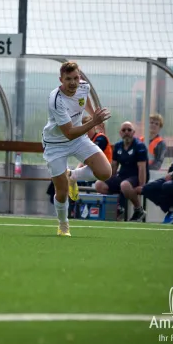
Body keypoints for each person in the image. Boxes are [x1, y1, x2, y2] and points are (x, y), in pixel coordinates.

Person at [42, 61, 112, 237]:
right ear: (61, 80)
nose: (73, 83)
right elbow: (69, 133)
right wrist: (93, 123)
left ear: (79, 77)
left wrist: (93, 112)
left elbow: (84, 98)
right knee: (62, 192)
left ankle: (73, 175)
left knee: (105, 172)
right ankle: (63, 224)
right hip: (56, 144)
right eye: (68, 79)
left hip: (78, 138)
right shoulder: (56, 100)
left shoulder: (83, 87)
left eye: (76, 78)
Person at [95, 121, 149, 222]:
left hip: (136, 176)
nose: (126, 132)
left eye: (129, 130)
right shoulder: (118, 146)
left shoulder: (139, 146)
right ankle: (118, 207)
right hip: (123, 176)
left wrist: (142, 186)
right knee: (99, 184)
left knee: (124, 185)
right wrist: (110, 179)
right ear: (120, 133)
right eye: (124, 130)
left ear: (133, 132)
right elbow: (114, 166)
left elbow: (142, 168)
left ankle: (138, 210)